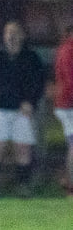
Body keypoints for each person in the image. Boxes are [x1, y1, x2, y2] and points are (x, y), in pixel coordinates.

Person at [0, 21, 45, 199]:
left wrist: (30, 101)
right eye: (8, 32)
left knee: (23, 149)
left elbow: (39, 83)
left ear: (22, 35)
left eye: (15, 32)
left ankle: (24, 187)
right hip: (0, 110)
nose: (11, 36)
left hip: (22, 111)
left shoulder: (31, 59)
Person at [53, 25, 73, 197]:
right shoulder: (68, 50)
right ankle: (70, 186)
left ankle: (67, 180)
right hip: (68, 105)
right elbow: (69, 81)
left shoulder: (66, 49)